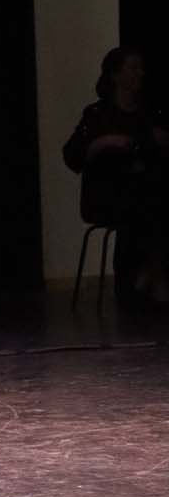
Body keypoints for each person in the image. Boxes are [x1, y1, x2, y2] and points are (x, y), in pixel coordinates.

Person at [63, 46, 169, 306]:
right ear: (116, 74)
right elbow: (73, 155)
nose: (140, 73)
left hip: (143, 192)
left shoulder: (148, 114)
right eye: (133, 68)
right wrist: (103, 143)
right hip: (107, 196)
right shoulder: (97, 115)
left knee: (151, 198)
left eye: (140, 68)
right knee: (145, 203)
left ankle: (147, 275)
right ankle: (146, 279)